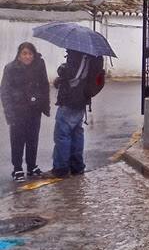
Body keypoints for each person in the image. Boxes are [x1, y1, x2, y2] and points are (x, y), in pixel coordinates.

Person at [1, 42, 50, 182]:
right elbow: (4, 92)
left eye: (30, 53)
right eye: (24, 53)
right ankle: (17, 168)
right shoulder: (10, 69)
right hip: (18, 111)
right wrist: (9, 113)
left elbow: (45, 86)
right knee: (17, 141)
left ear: (34, 55)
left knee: (33, 139)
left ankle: (31, 166)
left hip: (34, 110)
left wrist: (44, 105)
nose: (28, 56)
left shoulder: (39, 67)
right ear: (19, 55)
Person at [52, 49, 99, 178]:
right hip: (81, 100)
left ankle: (61, 168)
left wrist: (62, 70)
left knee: (62, 136)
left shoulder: (77, 54)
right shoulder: (91, 55)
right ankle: (77, 167)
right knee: (76, 133)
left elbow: (73, 75)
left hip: (70, 100)